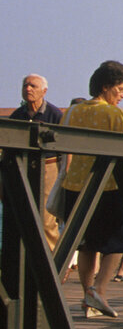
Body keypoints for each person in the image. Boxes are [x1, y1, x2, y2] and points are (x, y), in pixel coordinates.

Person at [60, 60, 123, 317]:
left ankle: (87, 294)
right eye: (121, 90)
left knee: (86, 245)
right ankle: (99, 291)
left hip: (75, 185)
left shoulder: (71, 112)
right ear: (106, 88)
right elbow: (122, 150)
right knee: (117, 242)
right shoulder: (115, 115)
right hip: (107, 186)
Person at [9, 74, 64, 249]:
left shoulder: (54, 115)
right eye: (25, 85)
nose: (28, 89)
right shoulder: (17, 115)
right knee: (23, 216)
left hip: (49, 167)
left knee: (46, 219)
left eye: (33, 86)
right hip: (23, 168)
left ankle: (54, 264)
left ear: (44, 91)